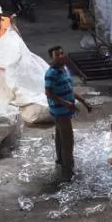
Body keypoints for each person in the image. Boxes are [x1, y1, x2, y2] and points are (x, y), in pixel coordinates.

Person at [44, 46, 91, 181]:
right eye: (57, 55)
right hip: (60, 111)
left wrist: (83, 102)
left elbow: (70, 89)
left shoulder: (64, 70)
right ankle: (68, 170)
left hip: (65, 110)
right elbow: (48, 92)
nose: (61, 56)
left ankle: (60, 161)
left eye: (62, 53)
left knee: (60, 137)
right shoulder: (51, 73)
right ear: (51, 57)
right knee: (68, 141)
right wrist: (66, 104)